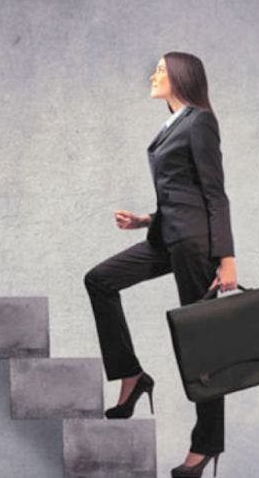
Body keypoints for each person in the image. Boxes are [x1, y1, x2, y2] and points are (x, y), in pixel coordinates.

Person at [83, 51, 237, 478]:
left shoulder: (200, 121)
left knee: (199, 342)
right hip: (169, 236)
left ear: (182, 78)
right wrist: (147, 220)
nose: (153, 75)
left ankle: (205, 446)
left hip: (194, 246)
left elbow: (214, 194)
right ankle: (131, 375)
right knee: (99, 281)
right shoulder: (173, 125)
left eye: (161, 71)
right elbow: (180, 195)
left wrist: (227, 259)